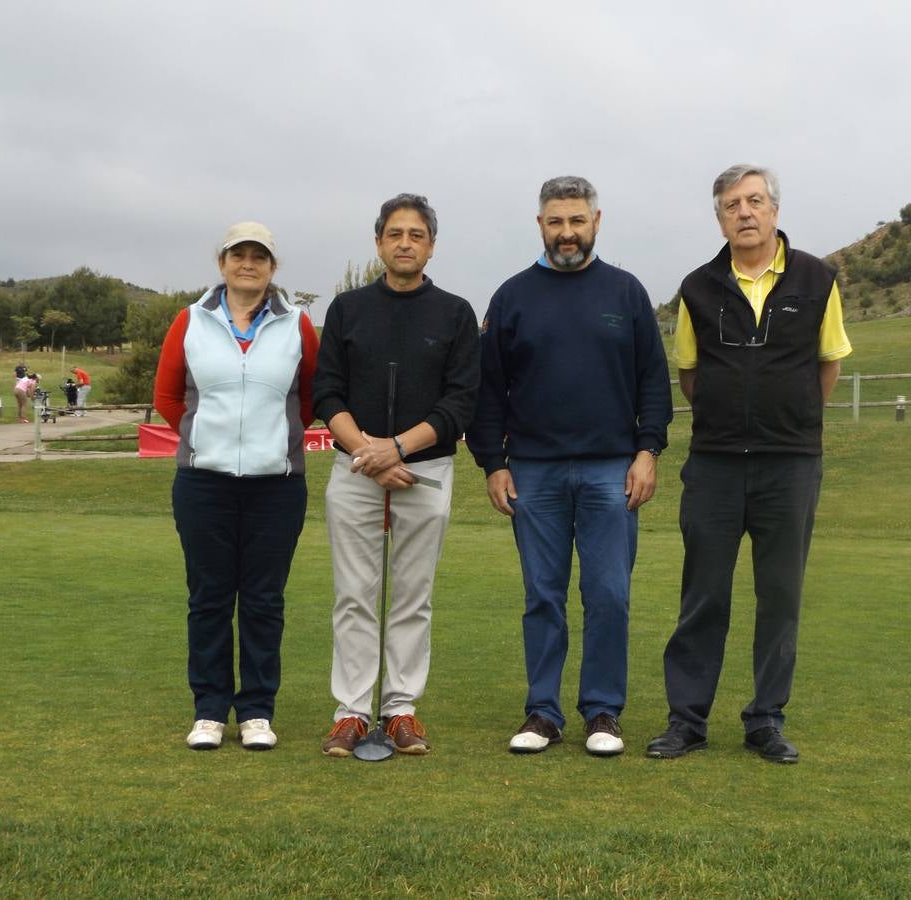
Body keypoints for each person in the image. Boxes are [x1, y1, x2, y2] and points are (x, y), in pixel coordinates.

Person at [646, 164, 853, 764]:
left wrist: (786, 422)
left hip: (789, 466)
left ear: (774, 210)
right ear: (719, 218)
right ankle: (686, 719)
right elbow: (689, 374)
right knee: (703, 596)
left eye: (755, 201)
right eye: (732, 204)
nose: (744, 212)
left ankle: (766, 718)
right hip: (713, 466)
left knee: (780, 595)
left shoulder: (818, 279)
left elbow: (828, 365)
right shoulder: (697, 287)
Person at [468, 176, 673, 757]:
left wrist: (646, 451)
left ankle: (603, 712)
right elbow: (489, 393)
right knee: (543, 595)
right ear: (540, 225)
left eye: (577, 221)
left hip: (614, 469)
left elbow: (653, 385)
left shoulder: (626, 293)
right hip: (533, 471)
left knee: (609, 593)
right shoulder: (511, 297)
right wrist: (492, 463)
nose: (567, 232)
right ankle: (542, 713)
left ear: (596, 222)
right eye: (555, 222)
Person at [313, 194, 479, 758]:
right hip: (356, 468)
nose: (405, 242)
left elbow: (461, 401)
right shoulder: (347, 309)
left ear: (431, 245)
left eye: (416, 234)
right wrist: (368, 452)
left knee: (412, 596)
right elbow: (326, 391)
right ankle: (353, 713)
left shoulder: (455, 313)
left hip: (425, 470)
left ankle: (401, 709)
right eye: (395, 233)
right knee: (355, 595)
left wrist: (399, 449)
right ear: (379, 241)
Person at [153, 221, 320, 752]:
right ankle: (208, 710)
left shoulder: (297, 324)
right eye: (237, 254)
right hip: (204, 483)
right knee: (208, 597)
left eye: (259, 256)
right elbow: (169, 396)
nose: (248, 263)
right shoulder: (190, 321)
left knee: (264, 600)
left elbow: (311, 398)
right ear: (222, 263)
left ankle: (256, 710)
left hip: (277, 486)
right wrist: (206, 440)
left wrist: (277, 440)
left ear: (273, 268)